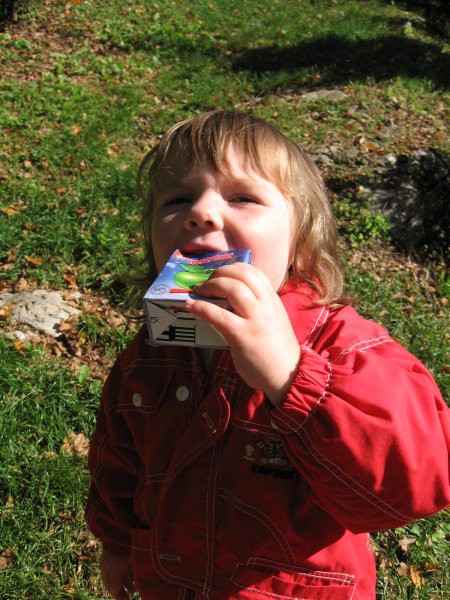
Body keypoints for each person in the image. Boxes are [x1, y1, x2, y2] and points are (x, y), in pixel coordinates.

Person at [85, 110, 450, 600]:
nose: (203, 212)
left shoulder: (344, 347)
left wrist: (292, 376)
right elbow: (119, 457)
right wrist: (117, 541)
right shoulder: (149, 357)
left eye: (243, 198)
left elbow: (413, 485)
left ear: (300, 241)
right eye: (177, 199)